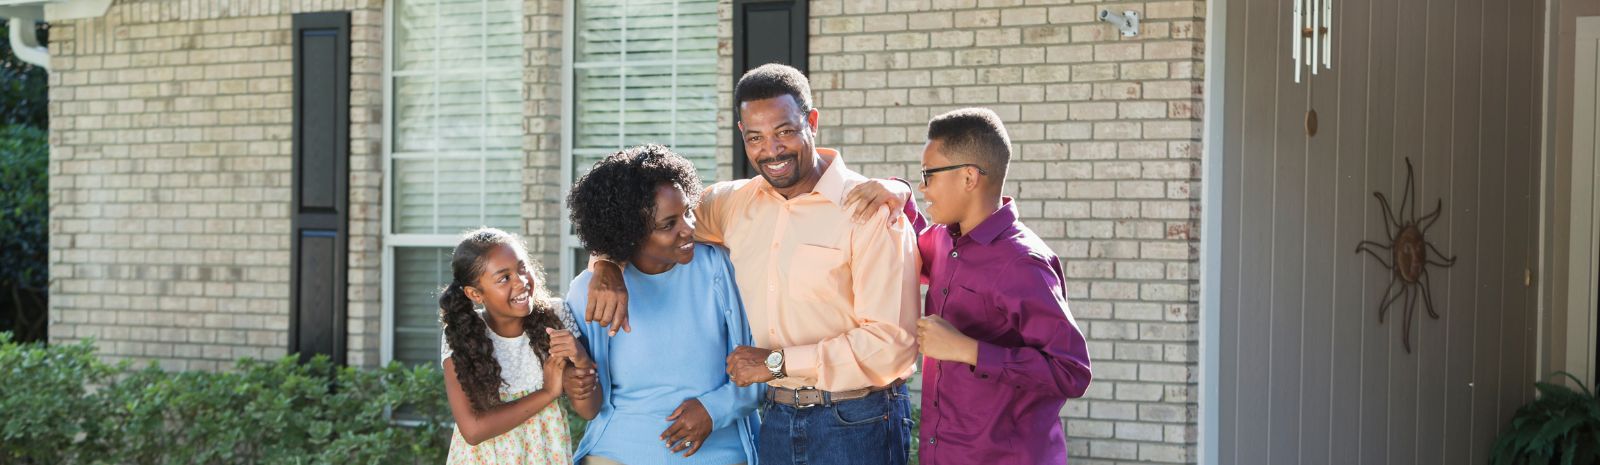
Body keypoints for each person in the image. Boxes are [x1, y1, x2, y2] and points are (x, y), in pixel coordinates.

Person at [583, 63, 922, 465]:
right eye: (757, 137)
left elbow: (892, 347)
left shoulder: (869, 211)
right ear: (742, 134)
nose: (772, 151)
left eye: (785, 131)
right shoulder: (730, 203)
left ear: (811, 122)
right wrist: (605, 261)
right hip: (776, 419)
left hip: (856, 419)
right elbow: (643, 220)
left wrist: (776, 363)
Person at [847, 108, 1093, 465]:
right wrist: (897, 189)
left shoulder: (1023, 264)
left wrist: (969, 350)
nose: (923, 187)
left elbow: (1071, 372)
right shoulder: (943, 241)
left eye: (928, 175)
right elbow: (906, 247)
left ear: (968, 177)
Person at [563, 144, 761, 465]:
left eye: (688, 212)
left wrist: (714, 410)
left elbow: (757, 368)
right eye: (668, 225)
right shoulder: (590, 290)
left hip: (720, 449)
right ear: (629, 234)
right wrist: (575, 381)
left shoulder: (719, 268)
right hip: (620, 450)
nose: (688, 229)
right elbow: (587, 400)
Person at [438, 227, 600, 465]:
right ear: (475, 293)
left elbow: (589, 410)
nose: (521, 281)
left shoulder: (556, 317)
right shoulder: (462, 336)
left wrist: (581, 358)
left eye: (522, 268)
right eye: (504, 278)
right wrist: (547, 393)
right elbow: (473, 430)